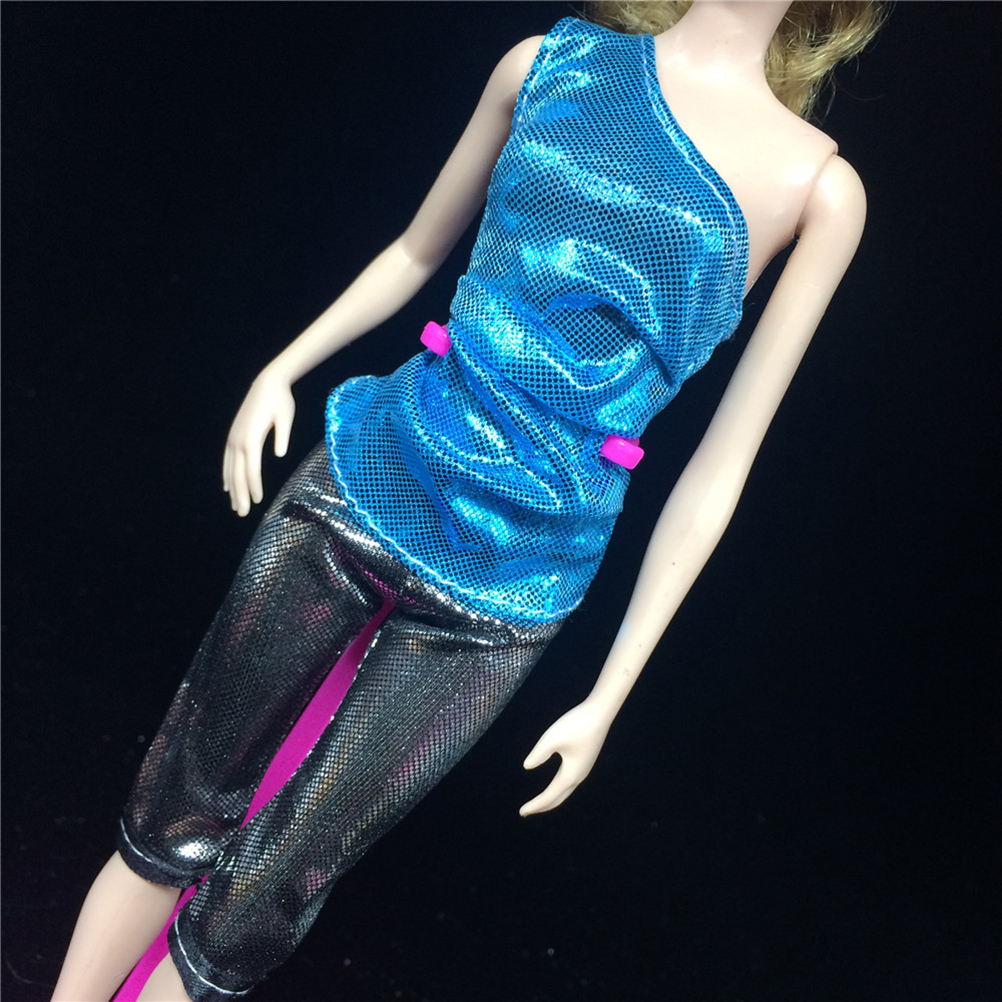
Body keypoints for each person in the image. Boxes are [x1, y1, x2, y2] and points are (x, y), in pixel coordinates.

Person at [52, 2, 883, 999]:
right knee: (176, 805)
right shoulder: (548, 67)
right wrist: (284, 367)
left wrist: (611, 690)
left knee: (267, 896)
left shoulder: (820, 191)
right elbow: (416, 250)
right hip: (371, 476)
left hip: (513, 585)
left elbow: (722, 462)